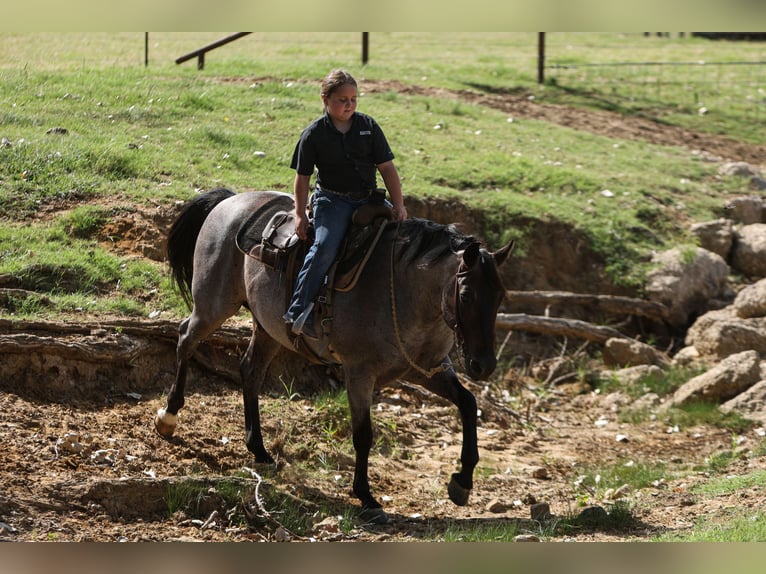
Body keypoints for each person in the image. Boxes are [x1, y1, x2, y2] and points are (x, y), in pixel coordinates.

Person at [283, 69, 408, 339]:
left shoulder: (369, 126)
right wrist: (299, 214)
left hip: (369, 199)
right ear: (325, 100)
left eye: (354, 98)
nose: (349, 104)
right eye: (342, 99)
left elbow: (386, 167)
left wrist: (398, 204)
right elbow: (302, 178)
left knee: (404, 239)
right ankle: (298, 310)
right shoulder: (313, 134)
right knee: (325, 246)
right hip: (332, 200)